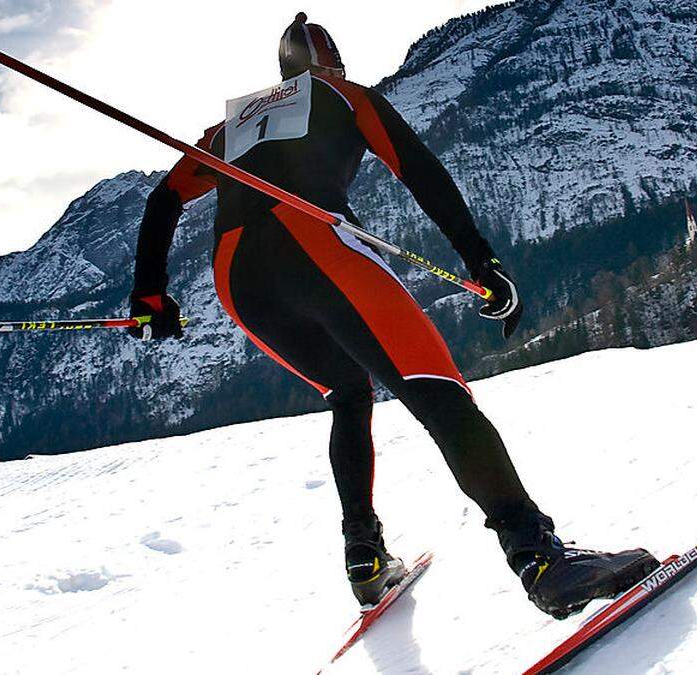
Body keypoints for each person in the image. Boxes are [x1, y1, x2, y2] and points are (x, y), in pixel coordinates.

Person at [129, 13, 656, 618]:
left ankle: (366, 557)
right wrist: (480, 261)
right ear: (328, 66)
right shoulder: (341, 95)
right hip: (315, 239)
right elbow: (418, 168)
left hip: (237, 277)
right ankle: (540, 559)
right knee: (438, 392)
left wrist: (150, 296)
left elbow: (163, 198)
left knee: (349, 391)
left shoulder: (229, 128)